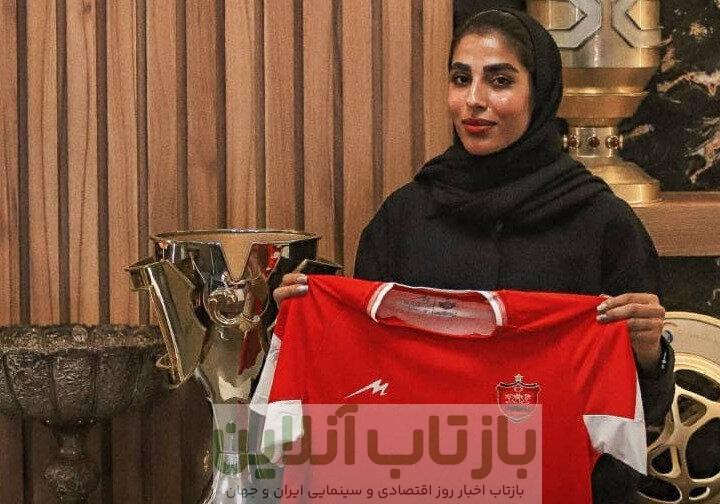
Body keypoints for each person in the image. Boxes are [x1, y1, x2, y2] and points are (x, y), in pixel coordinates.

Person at [273, 8, 674, 503]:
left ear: (540, 92)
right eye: (461, 79)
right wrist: (307, 318)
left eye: (500, 81)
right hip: (428, 486)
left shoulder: (602, 223)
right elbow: (365, 379)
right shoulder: (404, 217)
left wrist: (650, 354)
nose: (474, 101)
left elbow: (639, 417)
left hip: (566, 485)